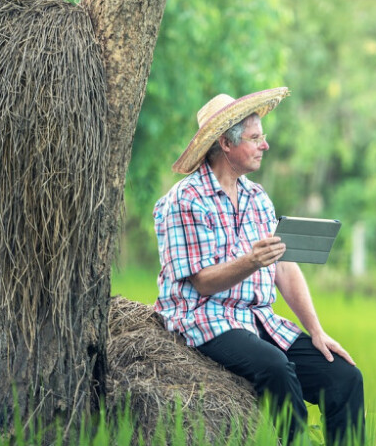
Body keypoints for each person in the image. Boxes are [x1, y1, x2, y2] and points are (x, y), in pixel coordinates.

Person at [152, 87, 364, 444]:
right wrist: (251, 261)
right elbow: (202, 283)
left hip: (256, 318)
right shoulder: (184, 201)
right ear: (225, 144)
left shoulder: (257, 197)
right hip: (204, 318)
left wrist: (316, 331)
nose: (265, 145)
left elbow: (284, 267)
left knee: (344, 377)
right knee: (276, 369)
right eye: (255, 138)